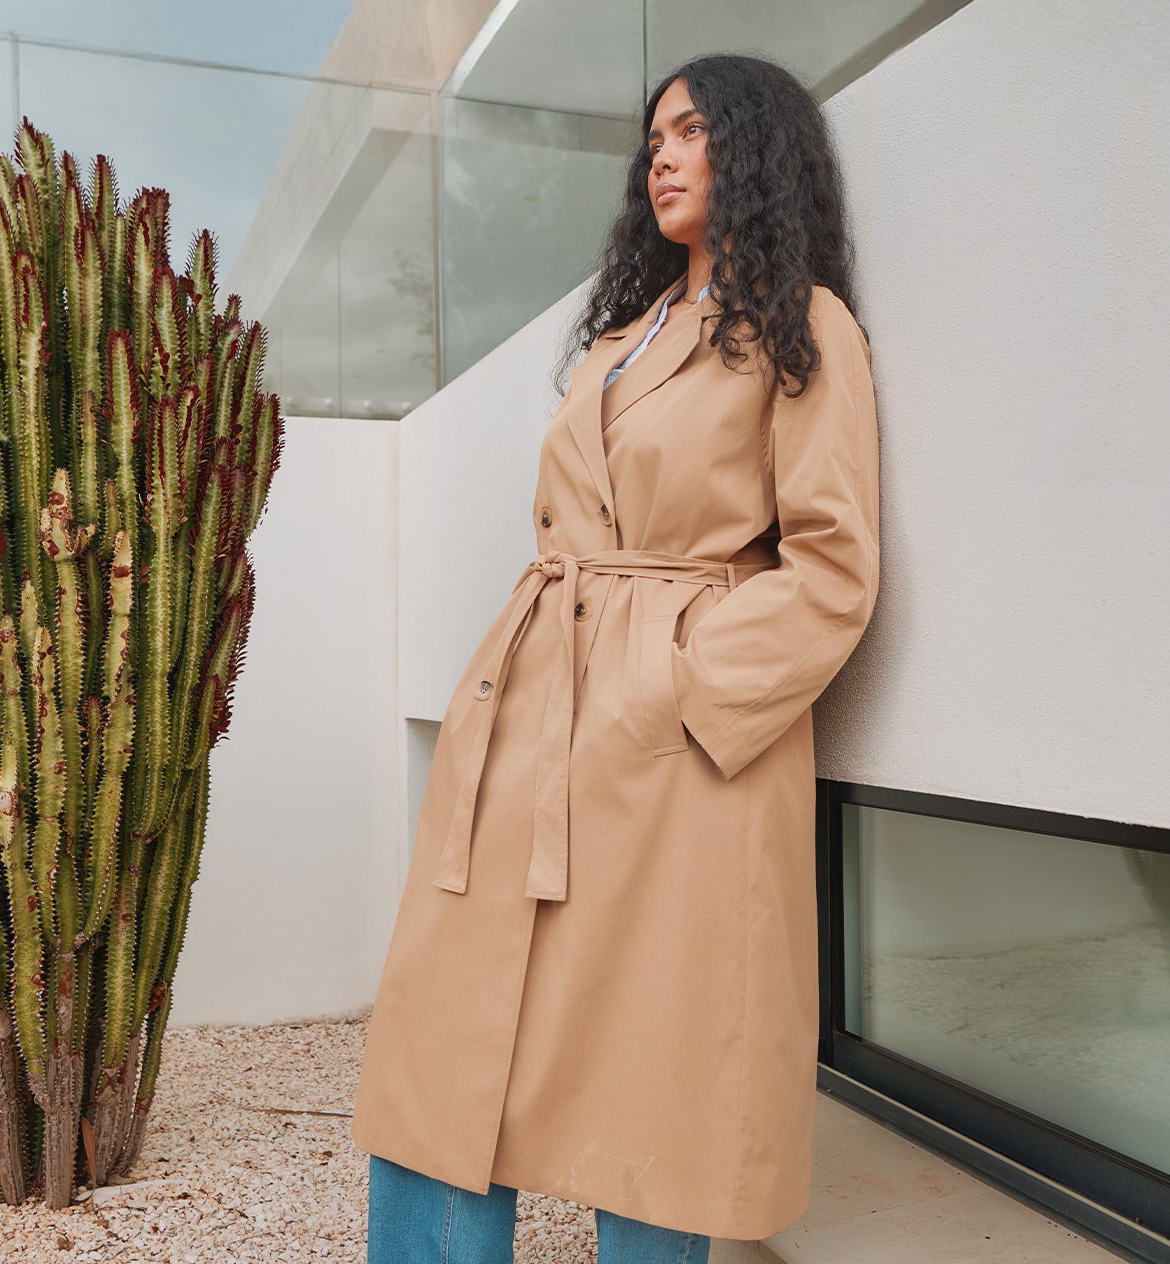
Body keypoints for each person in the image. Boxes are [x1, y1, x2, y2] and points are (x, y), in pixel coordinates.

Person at [354, 50, 882, 1263]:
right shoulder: (621, 339)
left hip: (673, 752)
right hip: (537, 704)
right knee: (447, 1029)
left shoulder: (800, 329)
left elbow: (832, 569)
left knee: (652, 1066)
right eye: (653, 138)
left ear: (755, 151)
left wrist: (675, 687)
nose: (662, 155)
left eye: (691, 131)